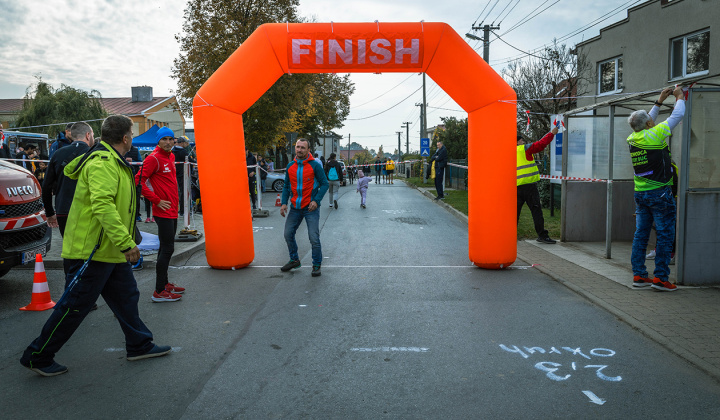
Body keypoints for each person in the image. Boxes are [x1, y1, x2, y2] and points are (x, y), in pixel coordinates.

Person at [20, 115, 171, 377]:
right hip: (93, 249)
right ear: (125, 138)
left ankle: (139, 344)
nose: (133, 138)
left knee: (126, 297)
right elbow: (103, 205)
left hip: (106, 249)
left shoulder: (112, 160)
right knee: (74, 307)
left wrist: (126, 239)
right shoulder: (103, 163)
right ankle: (38, 355)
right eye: (132, 133)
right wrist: (125, 242)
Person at [627, 86, 685, 292]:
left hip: (641, 194)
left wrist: (660, 101)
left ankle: (639, 276)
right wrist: (680, 96)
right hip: (660, 192)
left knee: (641, 234)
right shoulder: (655, 134)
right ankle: (661, 278)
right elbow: (678, 114)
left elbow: (645, 120)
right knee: (665, 234)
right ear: (650, 124)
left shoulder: (634, 138)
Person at [136, 126, 184, 302]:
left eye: (171, 139)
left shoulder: (170, 156)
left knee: (166, 248)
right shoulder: (153, 158)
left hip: (172, 210)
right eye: (164, 139)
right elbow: (138, 181)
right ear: (158, 141)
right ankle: (158, 291)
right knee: (167, 248)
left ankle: (164, 284)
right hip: (162, 210)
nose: (168, 142)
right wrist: (156, 200)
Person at [279, 139, 328, 277]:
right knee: (288, 234)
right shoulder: (290, 166)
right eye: (297, 147)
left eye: (302, 148)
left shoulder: (315, 165)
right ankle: (294, 260)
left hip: (310, 207)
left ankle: (316, 264)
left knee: (313, 237)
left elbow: (324, 184)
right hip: (295, 207)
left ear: (308, 150)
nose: (299, 150)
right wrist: (284, 203)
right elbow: (286, 187)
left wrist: (316, 201)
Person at [42, 122, 95, 237]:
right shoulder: (94, 155)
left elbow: (46, 186)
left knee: (68, 247)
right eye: (93, 135)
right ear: (88, 135)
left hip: (63, 209)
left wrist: (50, 213)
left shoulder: (57, 154)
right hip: (87, 210)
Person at [517, 127, 559, 244]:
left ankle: (508, 236)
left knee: (514, 214)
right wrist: (551, 133)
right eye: (522, 140)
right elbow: (541, 144)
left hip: (515, 188)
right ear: (517, 142)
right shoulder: (523, 149)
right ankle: (542, 235)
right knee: (536, 211)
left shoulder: (507, 152)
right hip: (529, 187)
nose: (523, 142)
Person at [172, 136, 191, 216]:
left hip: (172, 173)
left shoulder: (172, 151)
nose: (187, 144)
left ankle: (174, 209)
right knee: (184, 192)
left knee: (173, 192)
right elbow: (190, 160)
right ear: (182, 143)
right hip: (183, 174)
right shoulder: (183, 152)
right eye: (186, 143)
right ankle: (183, 211)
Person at [125, 143, 142, 221]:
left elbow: (140, 162)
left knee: (136, 197)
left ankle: (137, 215)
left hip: (135, 176)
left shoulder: (135, 150)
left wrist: (133, 161)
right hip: (124, 177)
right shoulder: (121, 149)